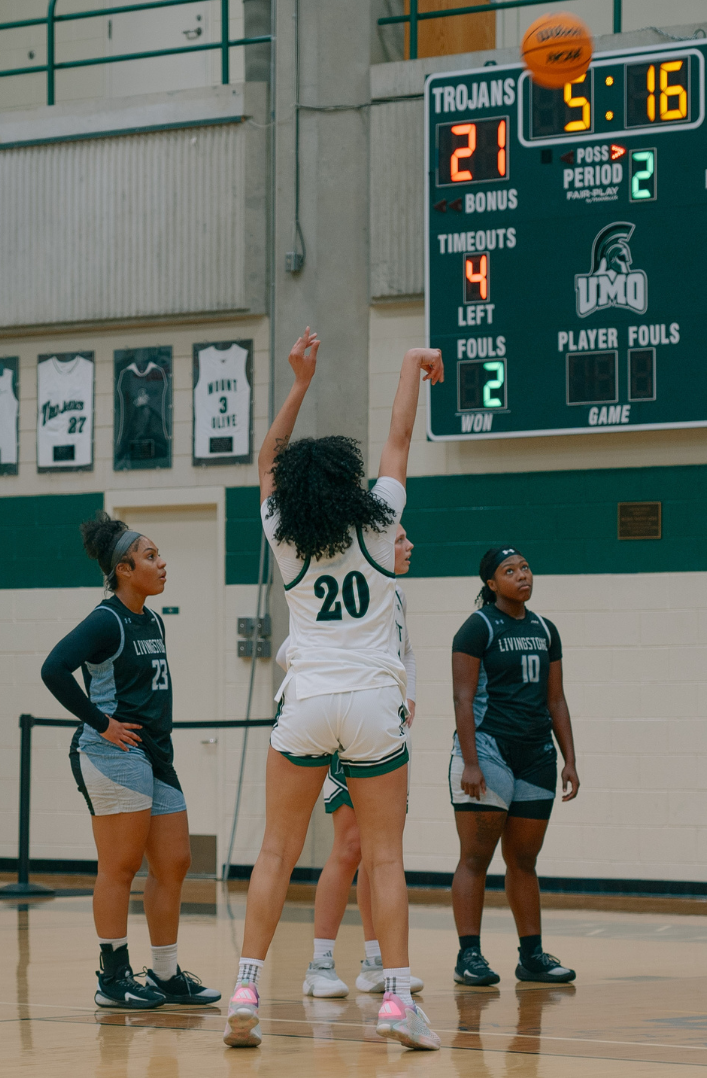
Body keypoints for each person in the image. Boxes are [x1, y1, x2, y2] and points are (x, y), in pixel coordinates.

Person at [223, 328, 444, 1051]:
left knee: (275, 853)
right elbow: (399, 437)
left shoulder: (283, 531)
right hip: (375, 701)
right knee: (383, 858)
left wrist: (299, 383)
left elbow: (265, 459)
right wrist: (411, 364)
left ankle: (246, 988)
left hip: (308, 701)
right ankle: (395, 1002)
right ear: (348, 480)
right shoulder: (380, 523)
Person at [40, 515, 221, 1011]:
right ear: (123, 569)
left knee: (175, 862)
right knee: (119, 866)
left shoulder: (154, 620)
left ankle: (165, 972)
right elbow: (53, 669)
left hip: (156, 754)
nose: (162, 564)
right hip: (113, 754)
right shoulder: (107, 619)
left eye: (159, 555)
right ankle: (113, 977)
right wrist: (101, 723)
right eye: (150, 556)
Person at [296, 524, 426, 998]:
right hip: (344, 726)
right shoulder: (343, 585)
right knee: (349, 845)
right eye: (400, 539)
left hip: (385, 728)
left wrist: (409, 696)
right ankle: (319, 964)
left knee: (381, 849)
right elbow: (292, 650)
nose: (409, 545)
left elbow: (407, 653)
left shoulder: (397, 594)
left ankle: (376, 962)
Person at [449, 546, 580, 987]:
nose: (523, 575)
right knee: (475, 858)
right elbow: (463, 698)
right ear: (491, 583)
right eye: (510, 571)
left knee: (524, 860)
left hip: (536, 755)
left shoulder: (545, 629)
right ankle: (469, 956)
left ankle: (532, 957)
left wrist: (570, 759)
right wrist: (470, 762)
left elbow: (556, 700)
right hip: (488, 752)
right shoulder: (477, 627)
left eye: (525, 567)